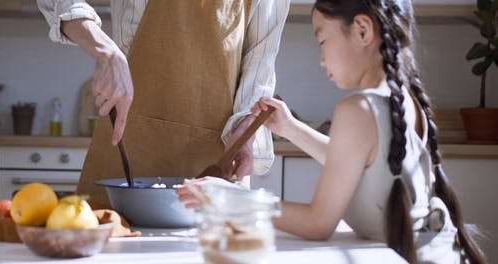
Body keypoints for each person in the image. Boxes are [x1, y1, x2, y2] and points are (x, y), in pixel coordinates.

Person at [176, 0, 486, 263]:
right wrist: (291, 128)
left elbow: (318, 223)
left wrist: (227, 197)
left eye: (323, 40)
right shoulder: (403, 100)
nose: (322, 58)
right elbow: (360, 166)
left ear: (362, 30)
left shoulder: (358, 110)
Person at [37, 0, 290, 206]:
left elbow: (261, 59)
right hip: (125, 157)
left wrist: (247, 126)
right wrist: (104, 48)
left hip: (217, 163)